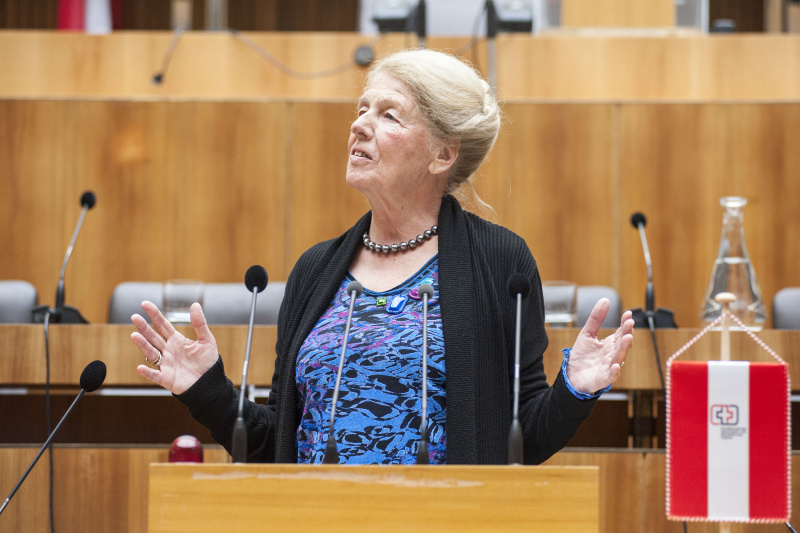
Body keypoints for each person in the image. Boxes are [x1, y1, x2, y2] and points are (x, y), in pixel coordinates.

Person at [131, 48, 634, 465]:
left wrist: (575, 390)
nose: (360, 126)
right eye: (361, 109)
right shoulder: (314, 271)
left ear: (443, 154)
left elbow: (525, 439)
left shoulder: (500, 261)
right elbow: (275, 446)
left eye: (388, 115)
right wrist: (207, 389)